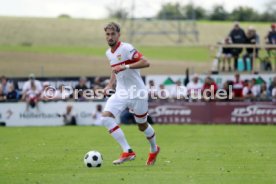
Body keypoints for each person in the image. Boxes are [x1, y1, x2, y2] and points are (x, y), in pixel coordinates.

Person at [100, 22, 159, 165]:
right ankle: (127, 150)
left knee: (142, 125)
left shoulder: (127, 48)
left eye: (113, 34)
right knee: (105, 118)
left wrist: (126, 66)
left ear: (118, 35)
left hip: (137, 92)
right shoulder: (108, 53)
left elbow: (146, 62)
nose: (110, 37)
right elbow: (115, 69)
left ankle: (153, 148)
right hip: (121, 92)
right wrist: (109, 84)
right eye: (107, 34)